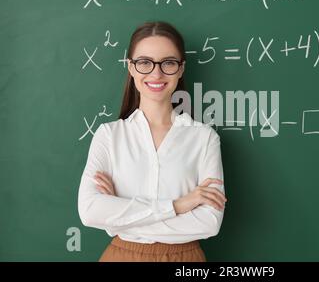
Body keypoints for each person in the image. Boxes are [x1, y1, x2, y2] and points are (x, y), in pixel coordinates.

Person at [77, 21, 227, 262]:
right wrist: (179, 205)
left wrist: (120, 217)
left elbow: (209, 222)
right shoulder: (109, 135)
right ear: (131, 67)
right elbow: (90, 211)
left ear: (180, 69)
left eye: (168, 63)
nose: (156, 74)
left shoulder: (204, 138)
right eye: (145, 62)